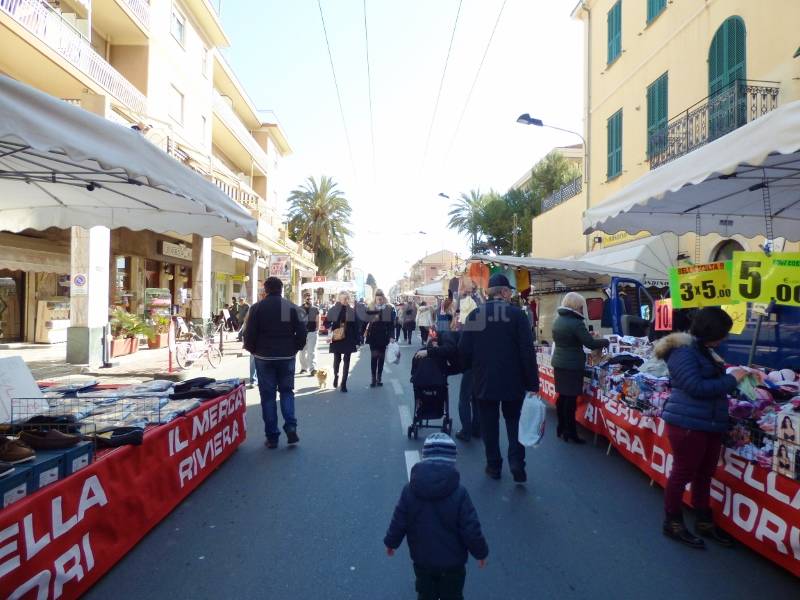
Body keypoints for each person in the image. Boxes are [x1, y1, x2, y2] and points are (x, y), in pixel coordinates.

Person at [654, 307, 748, 548]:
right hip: (687, 424)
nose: (726, 338)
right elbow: (695, 387)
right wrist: (731, 379)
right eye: (724, 333)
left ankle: (703, 521)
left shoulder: (702, 350)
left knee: (704, 473)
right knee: (682, 474)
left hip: (708, 422)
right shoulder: (683, 352)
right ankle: (672, 523)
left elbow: (705, 382)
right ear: (711, 331)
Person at [384, 433, 488, 600]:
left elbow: (399, 520)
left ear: (424, 458)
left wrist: (391, 542)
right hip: (453, 564)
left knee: (425, 594)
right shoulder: (459, 493)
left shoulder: (410, 491)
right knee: (453, 595)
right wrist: (480, 552)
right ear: (452, 462)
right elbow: (471, 529)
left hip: (422, 561)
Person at [458, 273, 539, 482]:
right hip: (513, 381)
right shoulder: (517, 315)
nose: (511, 293)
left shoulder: (475, 315)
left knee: (489, 425)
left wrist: (472, 370)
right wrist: (532, 384)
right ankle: (516, 462)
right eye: (509, 290)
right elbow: (527, 352)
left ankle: (493, 466)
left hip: (484, 381)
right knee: (513, 423)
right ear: (503, 292)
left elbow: (464, 350)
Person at [243, 277, 307, 449]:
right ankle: (291, 426)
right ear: (281, 289)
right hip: (286, 356)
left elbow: (249, 333)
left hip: (264, 357)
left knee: (268, 396)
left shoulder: (257, 308)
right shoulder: (291, 307)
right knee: (287, 391)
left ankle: (272, 436)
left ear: (266, 289)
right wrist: (295, 348)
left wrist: (253, 350)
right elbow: (302, 331)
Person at [551, 292, 610, 444]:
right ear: (576, 305)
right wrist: (605, 341)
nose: (583, 308)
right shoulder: (576, 322)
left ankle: (561, 427)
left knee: (562, 397)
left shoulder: (559, 319)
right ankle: (571, 432)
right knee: (570, 399)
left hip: (559, 362)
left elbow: (571, 339)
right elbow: (589, 343)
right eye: (581, 306)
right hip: (572, 365)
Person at [327, 292, 359, 393]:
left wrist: (357, 340)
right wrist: (331, 325)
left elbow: (356, 326)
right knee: (337, 359)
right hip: (337, 337)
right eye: (343, 298)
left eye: (346, 298)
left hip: (349, 337)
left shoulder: (352, 311)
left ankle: (344, 383)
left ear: (349, 299)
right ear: (339, 299)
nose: (345, 300)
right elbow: (326, 323)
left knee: (347, 360)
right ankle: (336, 375)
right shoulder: (333, 309)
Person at [365, 289, 396, 387]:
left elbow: (391, 325)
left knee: (381, 358)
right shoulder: (370, 308)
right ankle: (373, 379)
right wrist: (361, 334)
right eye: (378, 299)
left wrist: (392, 336)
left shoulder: (388, 309)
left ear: (384, 299)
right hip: (373, 336)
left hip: (384, 336)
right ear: (375, 299)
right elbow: (365, 322)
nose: (379, 301)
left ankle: (379, 378)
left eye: (381, 299)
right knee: (374, 357)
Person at [299, 293, 320, 375]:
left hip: (312, 332)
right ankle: (304, 368)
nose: (310, 300)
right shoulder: (299, 308)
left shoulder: (315, 309)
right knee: (302, 352)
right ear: (304, 299)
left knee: (312, 351)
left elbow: (318, 320)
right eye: (308, 299)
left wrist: (317, 330)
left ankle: (313, 369)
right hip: (302, 333)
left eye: (311, 298)